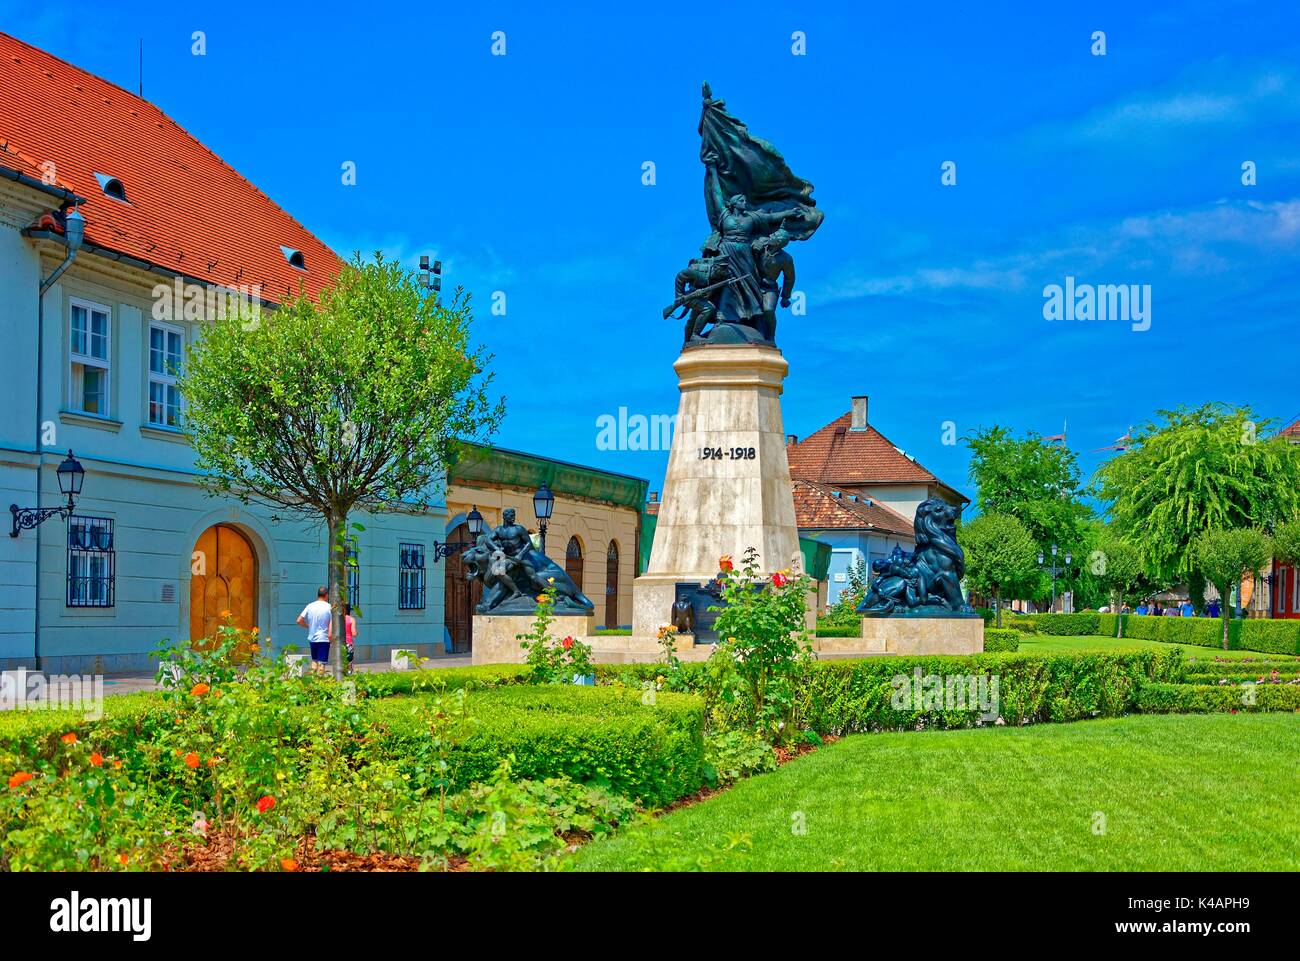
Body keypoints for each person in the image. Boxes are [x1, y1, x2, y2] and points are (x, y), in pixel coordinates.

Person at [296, 586, 333, 675]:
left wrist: (308, 626)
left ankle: (312, 680)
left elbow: (299, 620)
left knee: (314, 661)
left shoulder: (310, 606)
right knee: (322, 664)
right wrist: (331, 639)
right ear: (326, 595)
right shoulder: (329, 607)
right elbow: (331, 626)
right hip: (323, 638)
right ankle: (319, 682)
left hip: (312, 638)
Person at [343, 603, 358, 668]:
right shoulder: (351, 619)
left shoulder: (336, 620)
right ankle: (348, 676)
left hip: (338, 644)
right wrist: (357, 633)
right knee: (349, 663)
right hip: (348, 644)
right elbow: (354, 633)